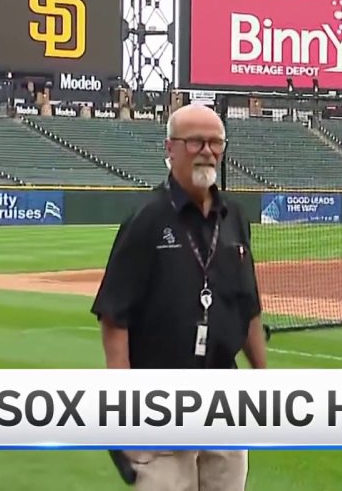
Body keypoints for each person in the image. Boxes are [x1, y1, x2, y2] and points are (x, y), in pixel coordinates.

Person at [92, 103, 267, 491]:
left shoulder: (234, 217)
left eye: (216, 142)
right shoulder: (147, 219)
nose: (207, 150)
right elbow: (115, 318)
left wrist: (264, 379)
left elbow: (248, 307)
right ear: (170, 148)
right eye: (195, 142)